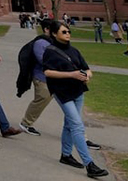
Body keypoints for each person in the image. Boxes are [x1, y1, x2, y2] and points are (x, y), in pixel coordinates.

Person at [43, 20, 108, 177]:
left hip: (78, 91)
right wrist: (71, 74)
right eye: (64, 32)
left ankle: (66, 155)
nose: (68, 34)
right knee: (77, 126)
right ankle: (89, 165)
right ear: (54, 33)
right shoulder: (50, 51)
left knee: (69, 124)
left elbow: (87, 68)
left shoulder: (74, 50)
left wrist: (87, 76)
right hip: (62, 93)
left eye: (69, 31)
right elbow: (47, 72)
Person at [19, 18, 54, 136]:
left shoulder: (55, 42)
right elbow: (43, 60)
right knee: (42, 99)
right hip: (42, 77)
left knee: (68, 104)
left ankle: (76, 130)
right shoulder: (40, 43)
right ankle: (26, 123)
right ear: (46, 29)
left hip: (58, 78)